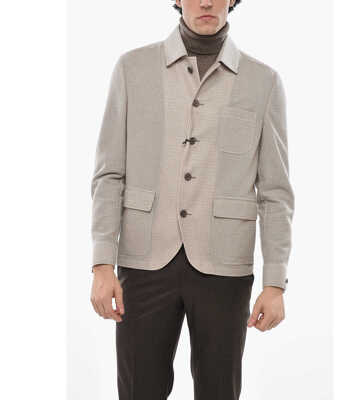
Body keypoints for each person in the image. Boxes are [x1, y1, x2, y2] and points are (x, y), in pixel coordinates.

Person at [90, 1, 295, 399]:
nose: (205, 2)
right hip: (144, 259)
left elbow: (275, 192)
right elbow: (109, 173)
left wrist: (275, 282)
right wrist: (102, 264)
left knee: (219, 391)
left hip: (224, 264)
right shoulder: (132, 69)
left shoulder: (263, 82)